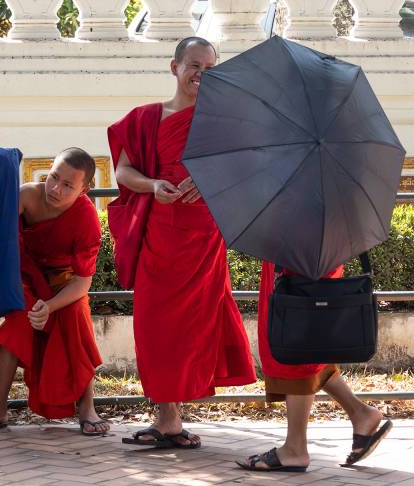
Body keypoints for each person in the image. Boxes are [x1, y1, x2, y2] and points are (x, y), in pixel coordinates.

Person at [108, 37, 256, 449]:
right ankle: (167, 416)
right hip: (160, 234)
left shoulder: (223, 123)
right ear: (174, 66)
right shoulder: (146, 118)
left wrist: (210, 180)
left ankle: (174, 417)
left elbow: (244, 172)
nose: (201, 74)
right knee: (154, 324)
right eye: (194, 65)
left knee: (195, 324)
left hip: (203, 237)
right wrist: (153, 184)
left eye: (210, 68)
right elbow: (123, 172)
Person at [0, 148, 110, 436]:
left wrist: (51, 306)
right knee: (18, 323)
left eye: (68, 185)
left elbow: (82, 282)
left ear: (85, 189)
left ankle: (87, 408)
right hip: (25, 279)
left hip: (65, 286)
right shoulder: (29, 195)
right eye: (53, 177)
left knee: (76, 319)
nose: (55, 188)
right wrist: (8, 190)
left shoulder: (86, 218)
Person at [236, 262, 392, 471]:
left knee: (296, 352)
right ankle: (360, 413)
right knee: (306, 349)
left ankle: (295, 449)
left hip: (302, 260)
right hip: (308, 256)